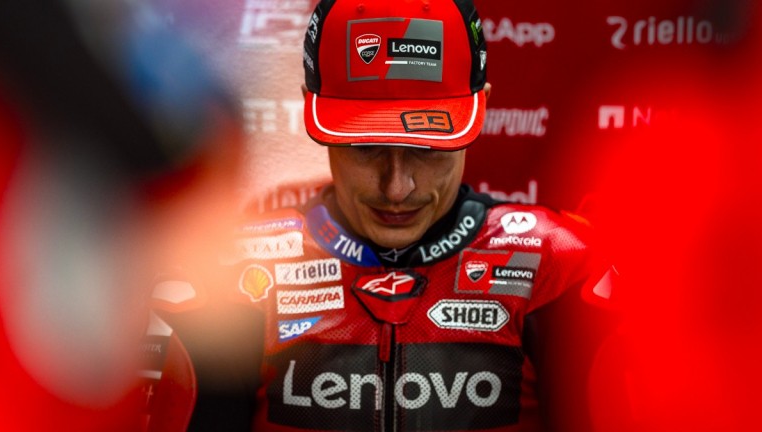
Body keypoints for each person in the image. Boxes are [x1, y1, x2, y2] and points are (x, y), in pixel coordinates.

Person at [149, 0, 624, 430]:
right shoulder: (240, 272)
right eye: (365, 147)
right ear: (311, 106)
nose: (397, 188)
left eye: (428, 147)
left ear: (481, 108)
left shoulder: (555, 267)